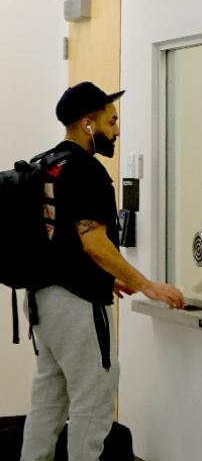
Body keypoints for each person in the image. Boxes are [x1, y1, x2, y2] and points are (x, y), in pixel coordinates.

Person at [20, 82, 185, 461]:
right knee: (92, 403)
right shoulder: (86, 169)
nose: (117, 129)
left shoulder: (44, 164)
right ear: (87, 123)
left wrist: (111, 279)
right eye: (112, 121)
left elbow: (56, 241)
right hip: (76, 306)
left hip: (41, 304)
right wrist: (144, 284)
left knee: (48, 401)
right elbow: (92, 240)